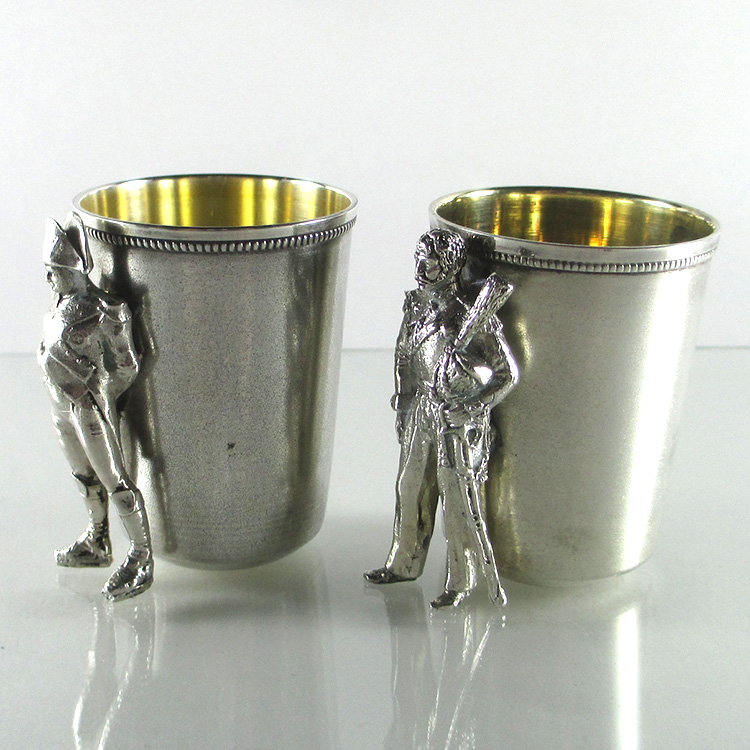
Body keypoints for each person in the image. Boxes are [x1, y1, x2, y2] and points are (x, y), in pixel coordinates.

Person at [365, 229, 518, 608]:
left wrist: (472, 406)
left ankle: (461, 580)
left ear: (450, 269)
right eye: (419, 261)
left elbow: (506, 374)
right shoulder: (415, 308)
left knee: (456, 499)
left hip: (457, 419)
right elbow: (404, 356)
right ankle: (404, 563)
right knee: (410, 486)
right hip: (422, 409)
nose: (421, 269)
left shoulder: (471, 314)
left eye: (430, 264)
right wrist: (404, 402)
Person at [39, 215, 153, 602]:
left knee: (114, 480)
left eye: (54, 270)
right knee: (83, 475)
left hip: (89, 407)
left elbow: (126, 366)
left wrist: (97, 394)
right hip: (61, 406)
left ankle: (141, 556)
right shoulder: (57, 306)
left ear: (73, 269)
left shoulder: (106, 309)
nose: (49, 278)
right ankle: (97, 540)